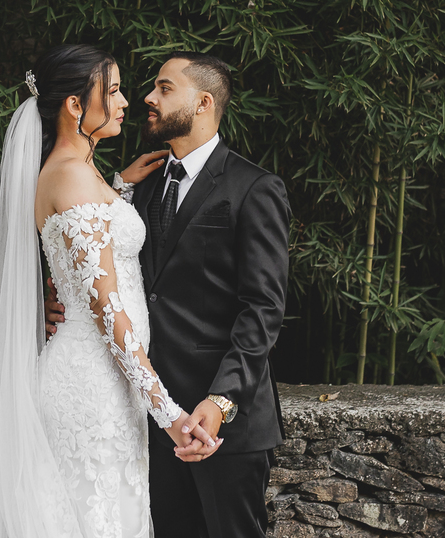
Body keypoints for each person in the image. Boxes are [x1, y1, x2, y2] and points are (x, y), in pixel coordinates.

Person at [0, 44, 217, 538]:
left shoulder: (79, 173)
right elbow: (108, 313)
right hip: (90, 386)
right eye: (115, 91)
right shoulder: (73, 177)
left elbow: (87, 242)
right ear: (76, 106)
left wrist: (118, 188)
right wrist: (168, 413)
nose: (126, 102)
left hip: (107, 382)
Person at [47, 52, 292, 538]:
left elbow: (263, 310)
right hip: (148, 416)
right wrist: (55, 299)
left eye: (163, 88)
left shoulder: (254, 188)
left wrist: (221, 401)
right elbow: (97, 263)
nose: (146, 99)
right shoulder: (142, 182)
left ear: (202, 103)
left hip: (222, 423)